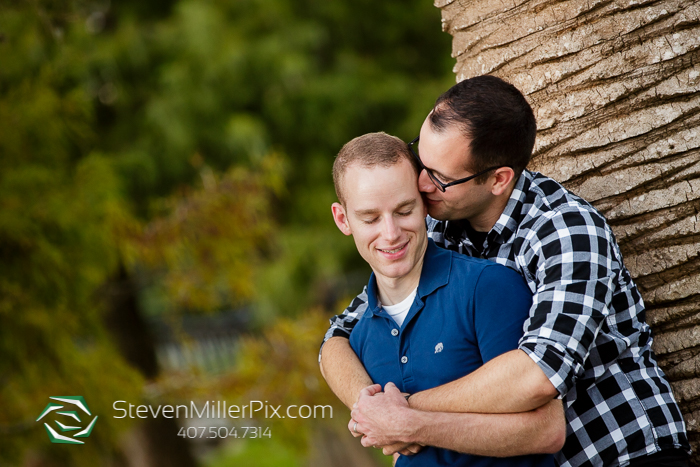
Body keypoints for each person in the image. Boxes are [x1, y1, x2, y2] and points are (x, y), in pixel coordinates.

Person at [320, 76, 691, 467]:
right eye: (420, 160)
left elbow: (539, 374)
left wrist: (406, 412)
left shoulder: (564, 232)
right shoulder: (437, 225)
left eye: (441, 177)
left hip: (623, 454)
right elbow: (341, 334)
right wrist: (371, 405)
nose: (423, 184)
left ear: (498, 179)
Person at [329, 131, 564, 466]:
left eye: (404, 210)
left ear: (424, 202)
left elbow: (546, 431)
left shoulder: (487, 287)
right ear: (343, 219)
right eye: (370, 218)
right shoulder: (358, 334)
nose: (391, 233)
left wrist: (410, 423)